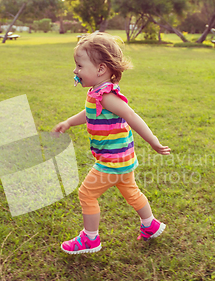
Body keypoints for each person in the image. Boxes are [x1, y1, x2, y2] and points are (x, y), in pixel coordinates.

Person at [52, 32, 171, 254]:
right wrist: (69, 122)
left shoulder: (108, 96)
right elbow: (89, 113)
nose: (75, 71)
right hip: (122, 159)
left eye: (79, 66)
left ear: (100, 69)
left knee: (86, 194)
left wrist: (154, 142)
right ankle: (150, 225)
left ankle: (90, 239)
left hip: (111, 162)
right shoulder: (96, 94)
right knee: (131, 192)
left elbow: (132, 117)